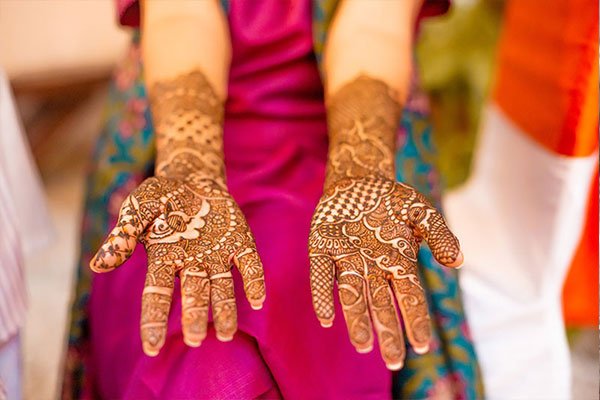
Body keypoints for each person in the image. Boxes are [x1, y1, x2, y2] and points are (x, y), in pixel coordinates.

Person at [62, 1, 483, 398]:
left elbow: (374, 25)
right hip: (173, 139)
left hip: (334, 157)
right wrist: (191, 169)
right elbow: (180, 15)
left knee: (328, 310)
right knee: (197, 343)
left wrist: (361, 169)